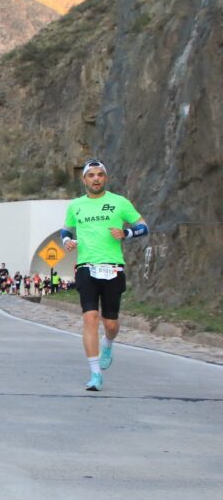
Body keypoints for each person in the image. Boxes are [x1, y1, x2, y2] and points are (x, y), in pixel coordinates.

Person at [62, 159, 147, 392]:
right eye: (91, 175)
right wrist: (67, 240)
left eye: (100, 175)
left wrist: (127, 232)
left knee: (110, 323)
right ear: (84, 179)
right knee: (90, 318)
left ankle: (108, 343)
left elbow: (144, 226)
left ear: (105, 178)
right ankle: (95, 374)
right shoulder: (76, 205)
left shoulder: (119, 202)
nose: (96, 178)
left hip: (113, 267)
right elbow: (66, 229)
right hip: (86, 267)